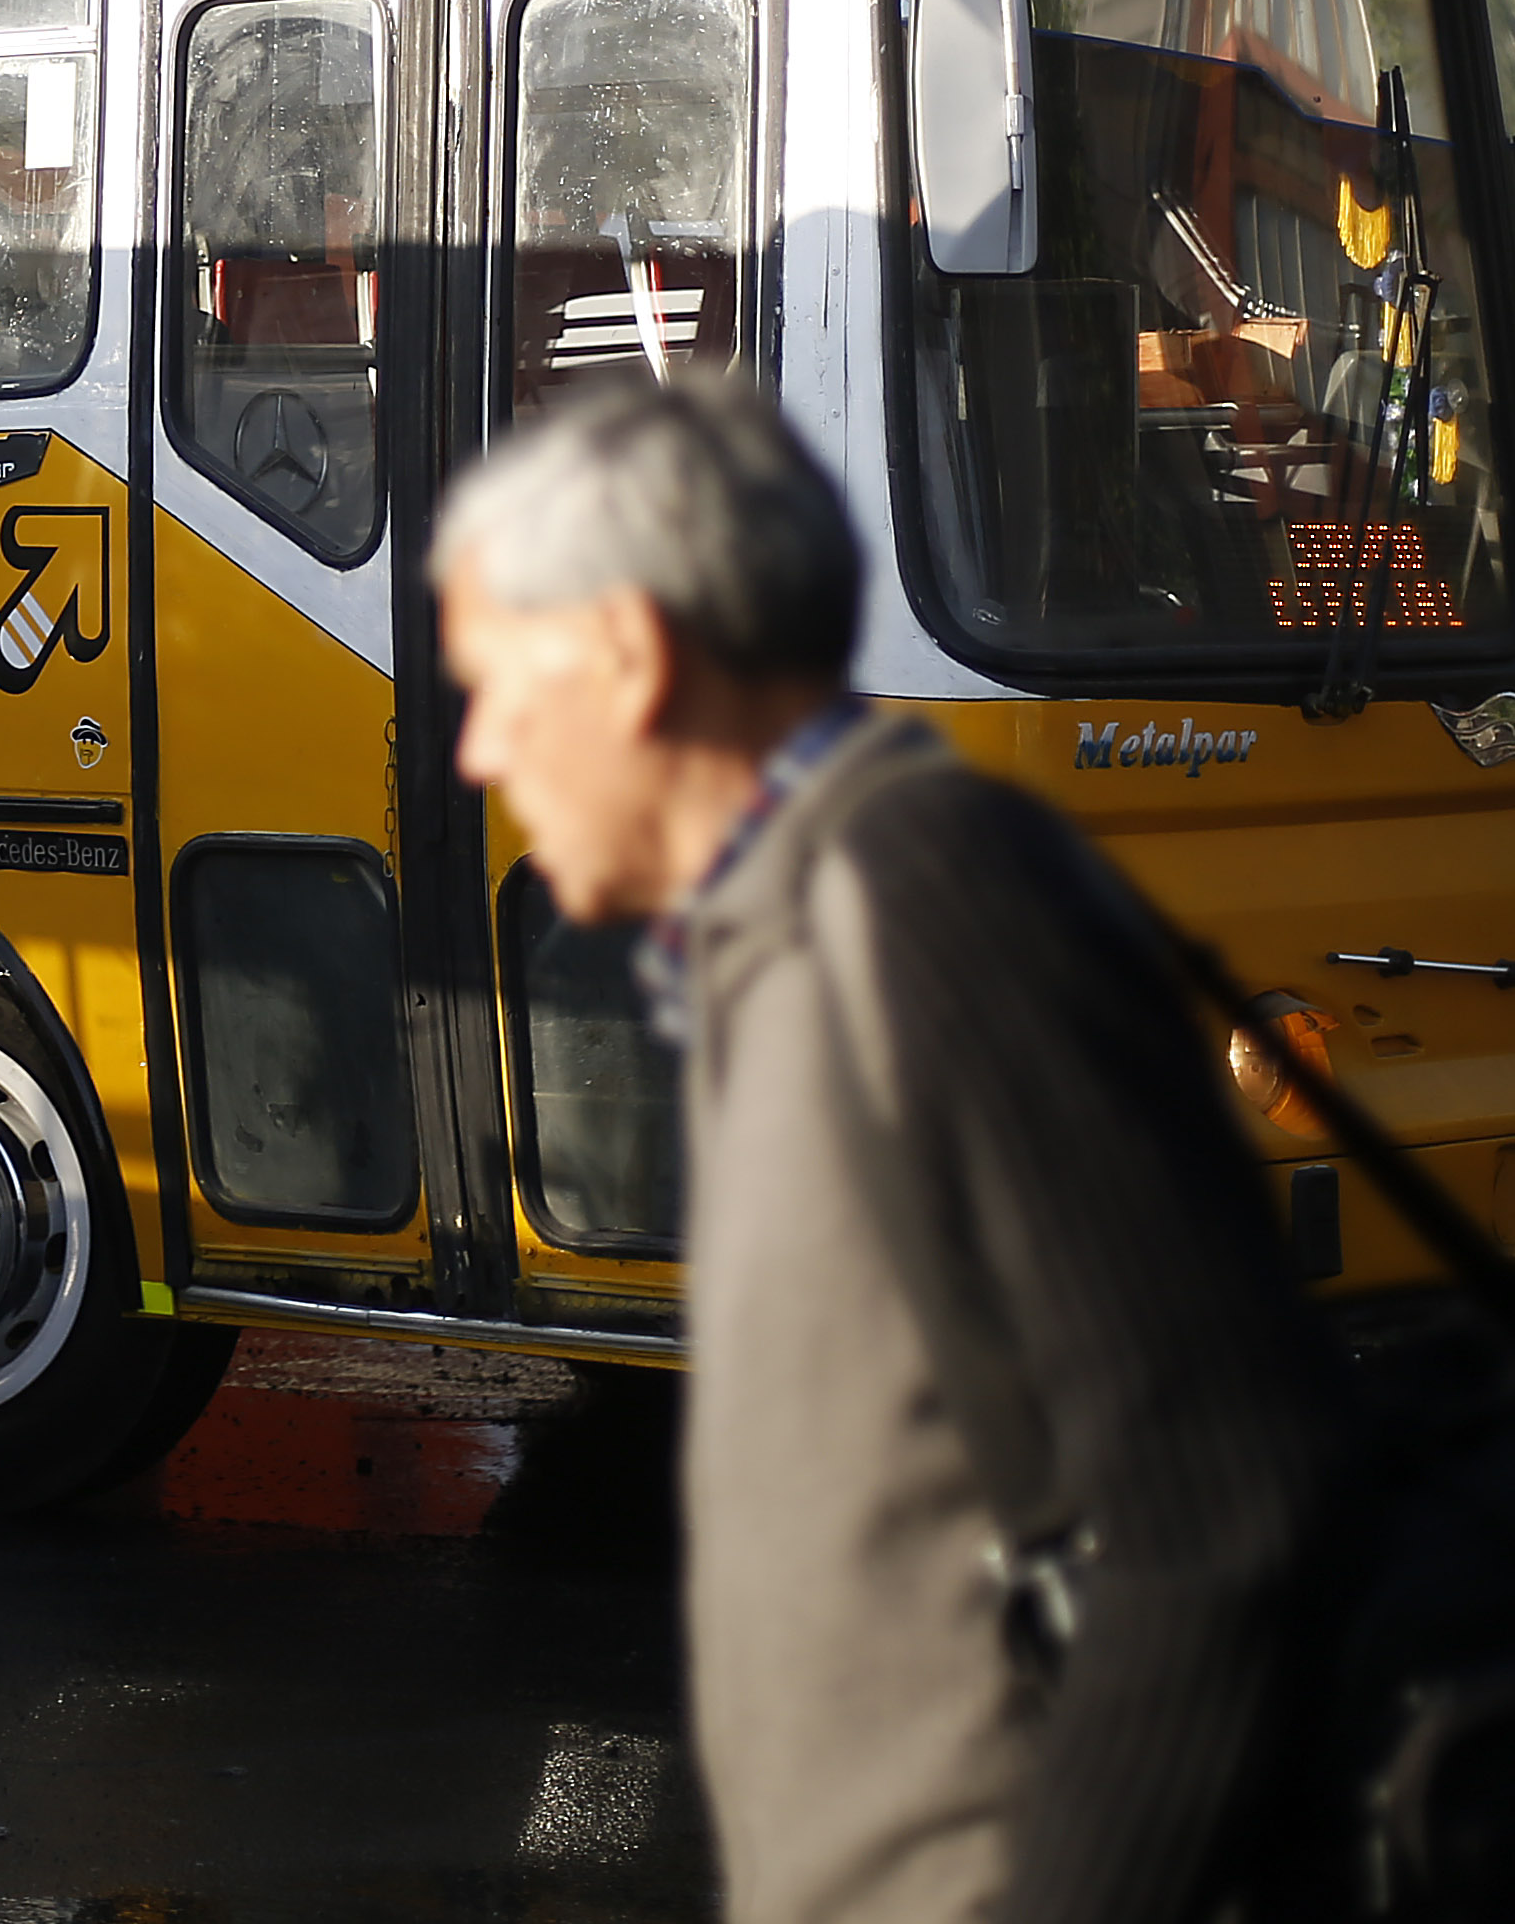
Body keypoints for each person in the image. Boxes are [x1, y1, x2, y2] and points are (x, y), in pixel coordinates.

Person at [432, 373, 1339, 1924]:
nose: (478, 755)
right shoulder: (785, 933)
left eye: (497, 687)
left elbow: (1219, 1509)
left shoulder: (923, 912)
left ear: (633, 657)